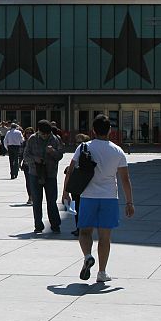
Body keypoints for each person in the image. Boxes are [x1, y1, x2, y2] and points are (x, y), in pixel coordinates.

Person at [63, 115, 134, 283]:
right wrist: (129, 202)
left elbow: (71, 171)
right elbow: (125, 179)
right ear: (110, 130)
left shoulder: (83, 147)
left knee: (84, 231)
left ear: (93, 130)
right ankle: (102, 272)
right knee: (105, 237)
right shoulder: (117, 151)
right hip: (109, 197)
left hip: (88, 196)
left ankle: (88, 256)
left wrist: (65, 192)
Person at [23, 119, 64, 233]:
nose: (45, 136)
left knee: (51, 201)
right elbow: (25, 155)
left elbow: (60, 155)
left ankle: (55, 225)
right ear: (38, 131)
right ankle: (38, 225)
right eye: (43, 134)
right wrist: (34, 159)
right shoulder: (32, 139)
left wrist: (53, 152)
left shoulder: (55, 139)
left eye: (47, 134)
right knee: (36, 200)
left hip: (50, 173)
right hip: (35, 173)